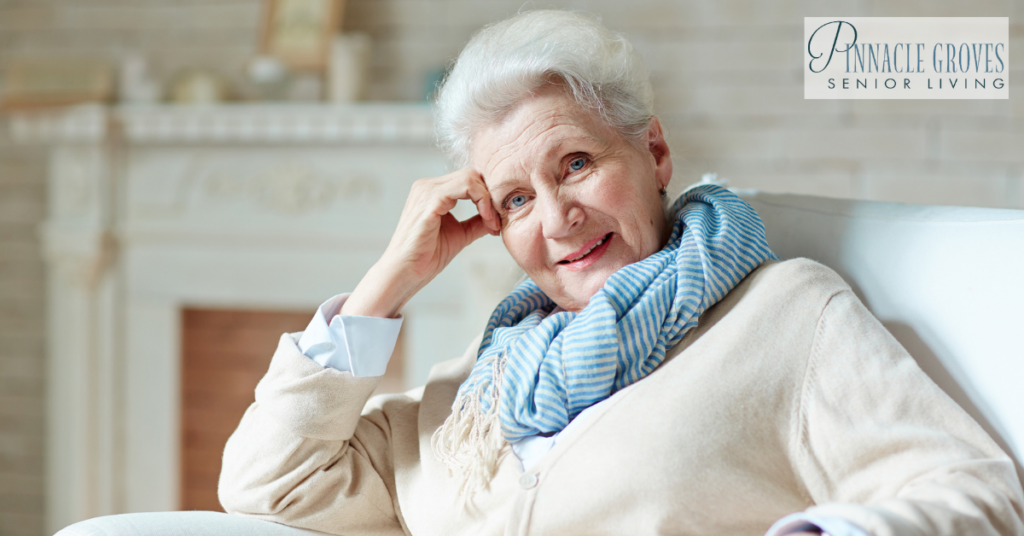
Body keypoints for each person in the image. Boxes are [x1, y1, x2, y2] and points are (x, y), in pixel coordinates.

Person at [218, 10, 1024, 536]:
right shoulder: (480, 381)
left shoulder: (786, 316)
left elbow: (978, 495)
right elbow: (271, 485)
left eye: (575, 163)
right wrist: (386, 284)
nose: (558, 217)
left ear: (656, 154)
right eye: (516, 199)